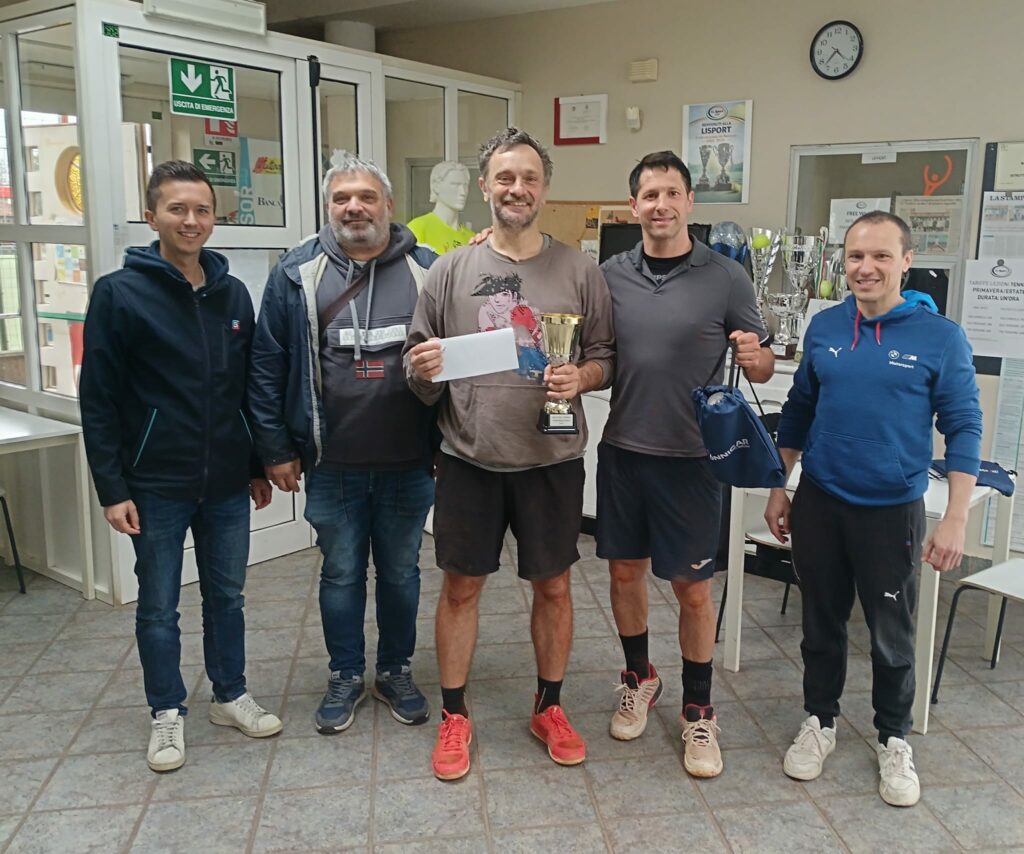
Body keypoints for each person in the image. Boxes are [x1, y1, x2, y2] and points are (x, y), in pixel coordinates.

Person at [405, 127, 615, 781]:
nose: (516, 188)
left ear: (544, 189)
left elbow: (605, 356)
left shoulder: (580, 270)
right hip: (469, 457)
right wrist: (422, 369)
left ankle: (549, 706)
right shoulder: (450, 270)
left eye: (528, 178)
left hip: (551, 460)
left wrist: (582, 377)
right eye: (504, 177)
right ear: (485, 187)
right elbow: (418, 366)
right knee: (460, 588)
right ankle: (455, 714)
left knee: (553, 586)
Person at [765, 211, 982, 807]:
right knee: (821, 623)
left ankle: (893, 737)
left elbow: (964, 426)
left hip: (891, 511)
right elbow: (799, 411)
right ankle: (820, 721)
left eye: (882, 255)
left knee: (892, 633)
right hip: (821, 501)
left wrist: (956, 516)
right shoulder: (825, 327)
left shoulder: (940, 338)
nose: (866, 267)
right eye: (856, 256)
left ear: (906, 261)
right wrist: (779, 484)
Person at [80, 160, 283, 773]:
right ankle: (166, 710)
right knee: (158, 606)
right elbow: (99, 398)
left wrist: (255, 464)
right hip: (155, 484)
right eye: (177, 209)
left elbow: (245, 388)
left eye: (201, 210)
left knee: (227, 597)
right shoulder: (119, 293)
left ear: (214, 218)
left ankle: (229, 694)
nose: (190, 220)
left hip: (225, 483)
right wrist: (112, 487)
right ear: (152, 217)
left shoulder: (232, 293)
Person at [248, 151, 437, 735]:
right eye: (341, 198)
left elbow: (454, 357)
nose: (354, 207)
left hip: (410, 462)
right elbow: (266, 365)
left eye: (366, 197)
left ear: (389, 205)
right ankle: (346, 674)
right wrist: (276, 449)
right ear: (328, 207)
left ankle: (395, 671)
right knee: (341, 574)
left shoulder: (429, 269)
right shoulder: (295, 273)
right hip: (331, 464)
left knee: (401, 573)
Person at [597, 150, 773, 778]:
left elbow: (762, 366)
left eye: (673, 193)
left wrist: (754, 357)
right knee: (624, 574)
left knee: (693, 590)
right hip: (623, 451)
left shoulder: (727, 277)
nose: (662, 205)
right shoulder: (609, 274)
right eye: (650, 195)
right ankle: (639, 677)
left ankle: (699, 709)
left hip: (693, 459)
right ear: (634, 205)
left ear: (690, 201)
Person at [407, 161, 475, 254]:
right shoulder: (418, 228)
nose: (463, 192)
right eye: (455, 184)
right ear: (436, 186)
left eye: (465, 185)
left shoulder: (471, 238)